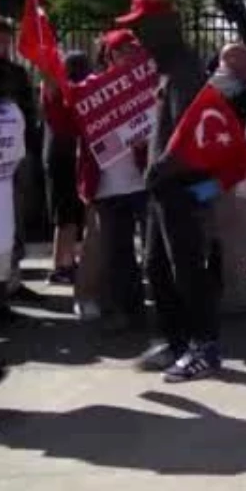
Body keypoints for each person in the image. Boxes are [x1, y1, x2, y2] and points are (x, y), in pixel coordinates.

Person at [121, 0, 222, 382]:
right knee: (157, 267)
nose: (137, 38)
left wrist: (159, 169)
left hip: (180, 188)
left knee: (187, 270)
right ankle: (176, 341)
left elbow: (189, 138)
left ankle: (204, 348)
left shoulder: (184, 71)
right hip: (164, 188)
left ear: (162, 28)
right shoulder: (168, 69)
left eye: (140, 29)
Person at [73, 31, 149, 332]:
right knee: (119, 253)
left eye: (133, 50)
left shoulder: (149, 86)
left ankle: (166, 312)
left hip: (143, 182)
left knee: (156, 251)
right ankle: (128, 312)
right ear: (108, 55)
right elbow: (66, 119)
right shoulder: (90, 91)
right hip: (107, 186)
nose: (128, 56)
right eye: (121, 51)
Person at [208, 43, 246, 314]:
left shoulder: (202, 90)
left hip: (206, 178)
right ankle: (235, 295)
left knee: (209, 234)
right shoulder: (245, 96)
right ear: (232, 63)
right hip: (237, 177)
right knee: (236, 238)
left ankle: (210, 292)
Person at [0, 16, 43, 307]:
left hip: (17, 156)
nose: (1, 45)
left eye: (5, 40)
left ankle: (12, 282)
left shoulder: (17, 72)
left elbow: (29, 111)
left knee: (15, 220)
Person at [40, 52, 92, 288]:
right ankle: (61, 266)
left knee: (69, 214)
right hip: (63, 155)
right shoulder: (60, 90)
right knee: (66, 215)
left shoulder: (63, 89)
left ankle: (67, 262)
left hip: (65, 154)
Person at [0, 62, 27, 327]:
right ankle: (1, 306)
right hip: (3, 193)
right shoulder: (14, 113)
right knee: (1, 257)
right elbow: (18, 156)